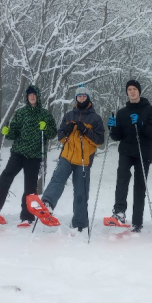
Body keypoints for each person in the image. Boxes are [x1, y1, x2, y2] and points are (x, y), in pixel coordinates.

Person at [0, 85, 57, 223]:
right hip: (18, 152)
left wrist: (46, 127)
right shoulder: (21, 113)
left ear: (38, 96)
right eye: (29, 95)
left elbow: (53, 133)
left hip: (35, 155)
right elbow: (14, 132)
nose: (32, 97)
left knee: (30, 186)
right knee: (7, 175)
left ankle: (27, 215)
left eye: (34, 94)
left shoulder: (45, 114)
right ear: (27, 97)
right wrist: (8, 131)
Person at [41, 85, 105, 232]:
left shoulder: (95, 118)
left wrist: (85, 130)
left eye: (84, 95)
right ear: (76, 98)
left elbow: (99, 141)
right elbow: (60, 137)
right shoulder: (69, 115)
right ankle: (47, 204)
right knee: (57, 179)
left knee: (81, 192)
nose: (81, 97)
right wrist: (66, 131)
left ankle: (80, 223)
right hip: (67, 156)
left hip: (84, 160)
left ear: (88, 98)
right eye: (79, 95)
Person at [107, 80, 152, 232]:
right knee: (122, 178)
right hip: (126, 151)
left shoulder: (150, 109)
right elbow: (117, 136)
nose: (132, 92)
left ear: (139, 91)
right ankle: (119, 212)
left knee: (139, 186)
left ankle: (137, 221)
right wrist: (112, 127)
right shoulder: (122, 112)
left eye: (134, 89)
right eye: (129, 89)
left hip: (143, 152)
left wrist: (141, 124)